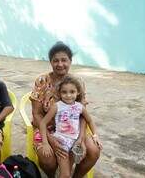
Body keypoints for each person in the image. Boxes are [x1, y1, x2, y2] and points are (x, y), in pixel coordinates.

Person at [30, 41, 101, 178]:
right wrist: (51, 141)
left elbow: (82, 114)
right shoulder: (42, 81)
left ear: (70, 61)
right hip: (47, 130)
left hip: (73, 129)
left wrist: (81, 138)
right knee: (47, 158)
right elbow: (37, 114)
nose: (60, 64)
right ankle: (52, 175)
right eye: (55, 60)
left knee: (94, 151)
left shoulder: (77, 82)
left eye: (64, 60)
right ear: (50, 62)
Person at [39, 75, 103, 177]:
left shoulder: (80, 107)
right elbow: (42, 123)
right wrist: (45, 143)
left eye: (72, 92)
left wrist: (95, 135)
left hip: (75, 143)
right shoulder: (57, 106)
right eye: (64, 92)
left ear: (78, 93)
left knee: (68, 171)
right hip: (61, 142)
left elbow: (89, 120)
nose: (68, 95)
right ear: (59, 93)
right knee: (65, 175)